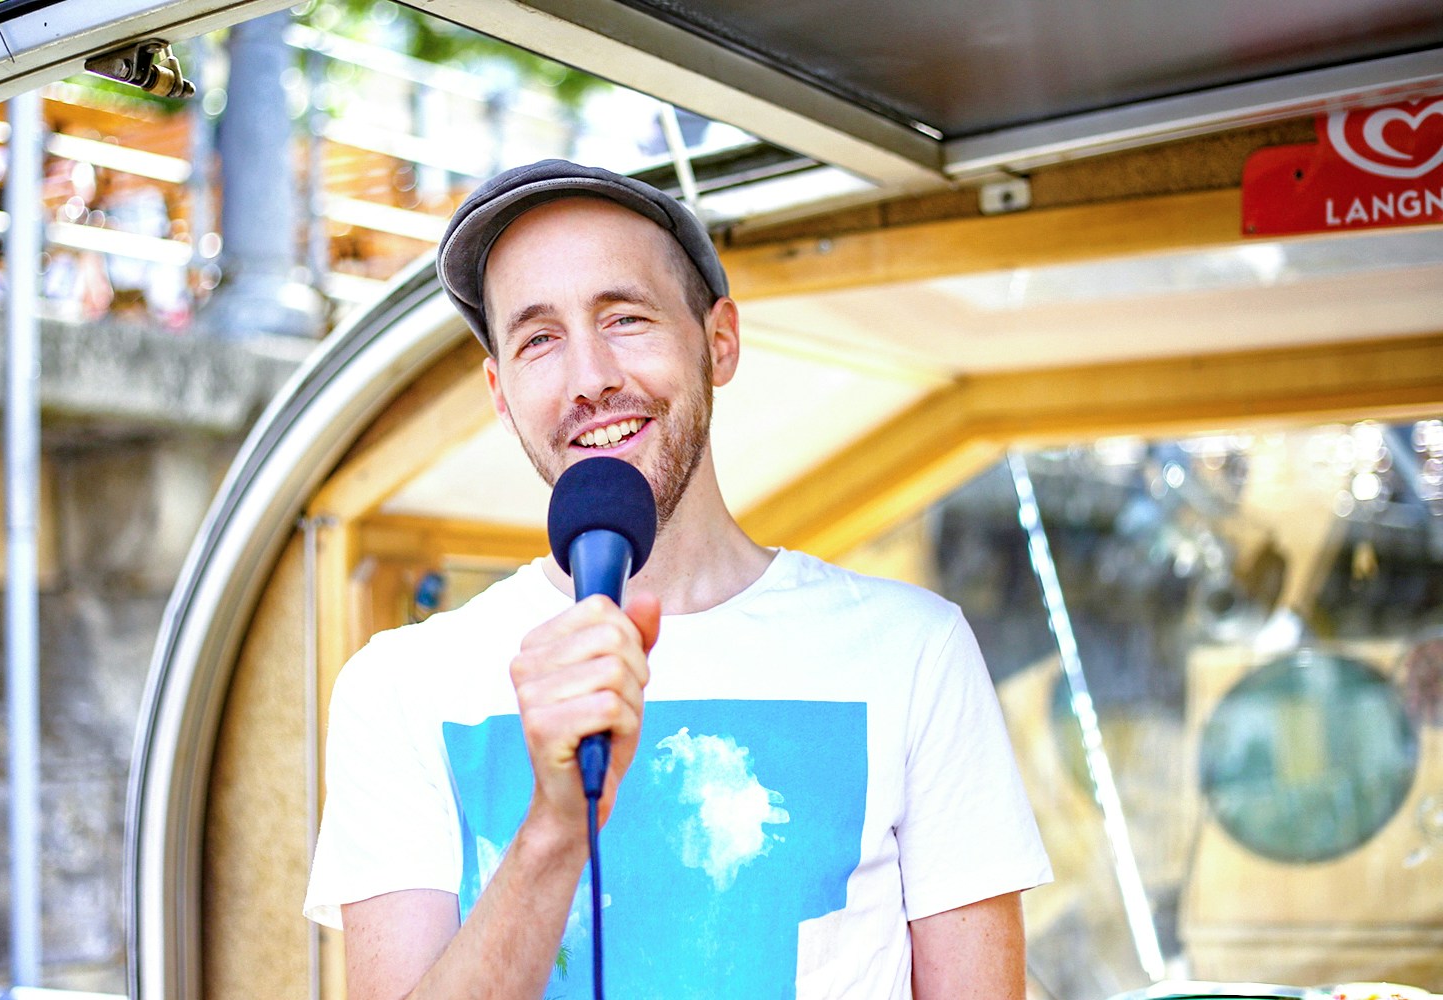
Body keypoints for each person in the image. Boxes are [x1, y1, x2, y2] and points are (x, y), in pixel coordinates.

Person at [304, 159, 1052, 999]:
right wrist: (556, 826)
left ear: (719, 341)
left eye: (625, 318)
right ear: (501, 393)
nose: (590, 378)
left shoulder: (916, 652)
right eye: (539, 338)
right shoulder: (399, 684)